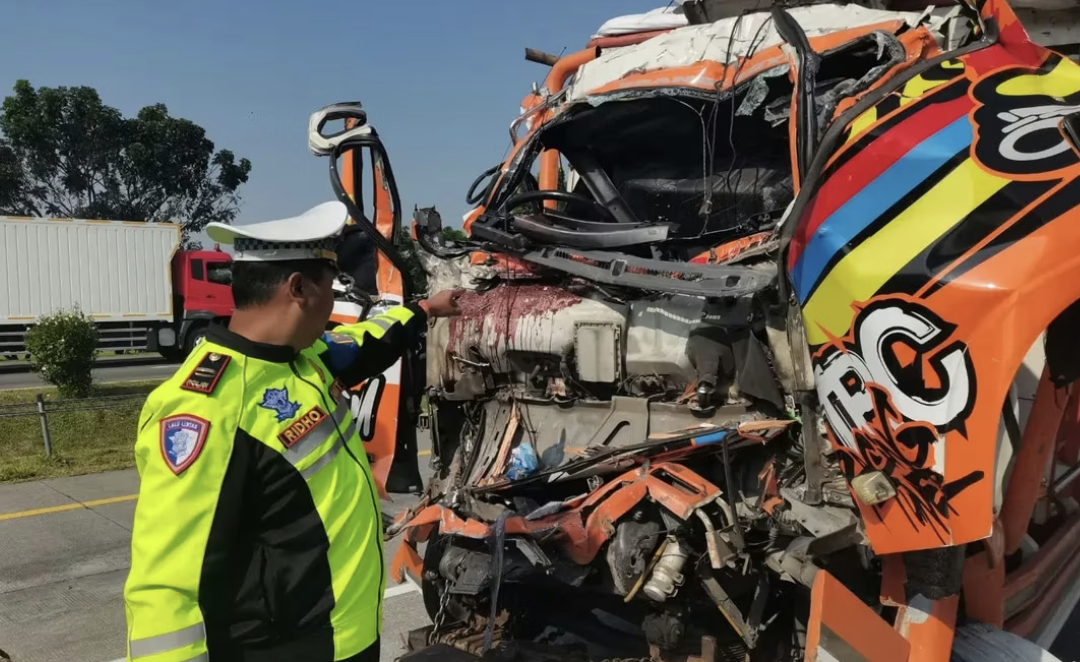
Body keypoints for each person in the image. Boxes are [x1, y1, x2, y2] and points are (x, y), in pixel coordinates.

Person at [122, 201, 462, 662]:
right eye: (333, 285)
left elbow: (368, 340)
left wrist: (426, 309)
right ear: (298, 288)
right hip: (291, 649)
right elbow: (167, 586)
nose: (336, 302)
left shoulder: (304, 358)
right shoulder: (205, 408)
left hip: (346, 634)